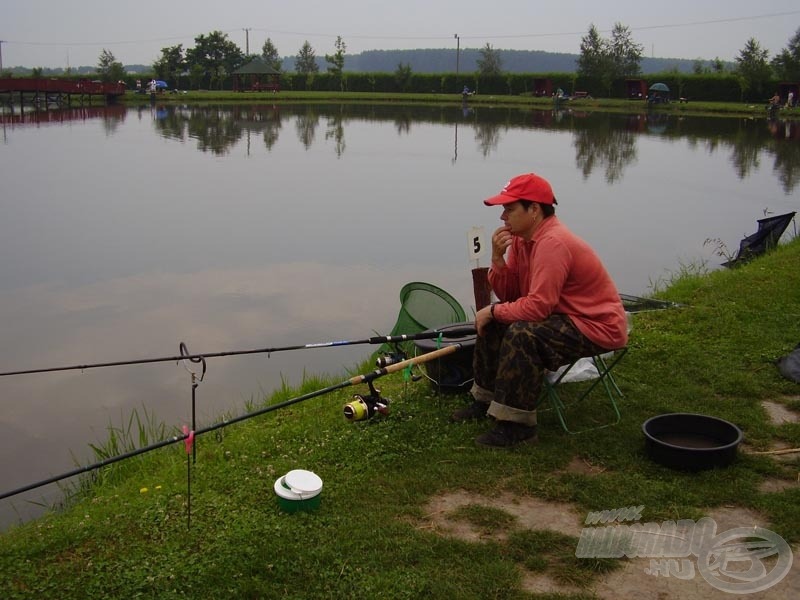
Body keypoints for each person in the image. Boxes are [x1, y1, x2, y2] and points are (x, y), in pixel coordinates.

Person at [451, 173, 629, 447]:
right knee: (497, 319)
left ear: (534, 209)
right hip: (565, 316)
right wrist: (497, 260)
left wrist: (493, 312)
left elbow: (537, 307)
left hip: (596, 326)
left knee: (523, 333)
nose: (502, 217)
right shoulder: (523, 240)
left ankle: (517, 426)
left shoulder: (552, 243)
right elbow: (513, 295)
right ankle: (485, 400)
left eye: (509, 209)